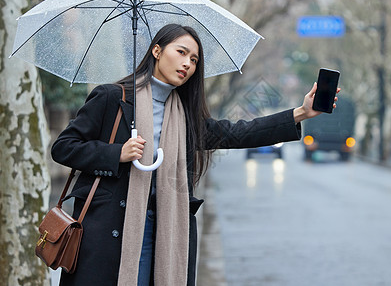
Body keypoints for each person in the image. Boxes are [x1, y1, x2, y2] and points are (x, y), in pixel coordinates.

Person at [51, 24, 339, 286]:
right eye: (182, 53)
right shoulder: (113, 97)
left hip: (164, 228)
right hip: (108, 231)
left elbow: (238, 133)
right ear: (157, 51)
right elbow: (64, 146)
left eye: (194, 60)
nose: (188, 63)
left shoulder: (185, 116)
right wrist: (117, 153)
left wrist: (301, 113)